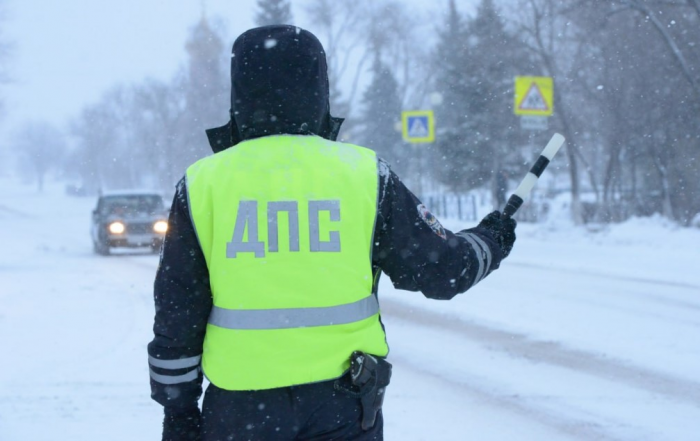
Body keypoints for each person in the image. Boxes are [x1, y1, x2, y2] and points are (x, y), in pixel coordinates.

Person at [147, 25, 516, 441]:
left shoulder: (202, 183)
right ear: (319, 87)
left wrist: (177, 409)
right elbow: (443, 270)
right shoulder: (364, 174)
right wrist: (490, 239)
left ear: (240, 91)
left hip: (240, 410)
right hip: (343, 405)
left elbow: (178, 307)